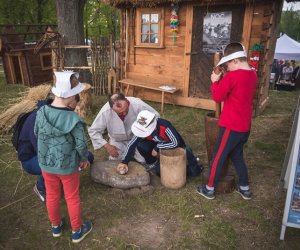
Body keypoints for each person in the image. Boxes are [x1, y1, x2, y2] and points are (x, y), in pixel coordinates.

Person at [34, 71, 93, 243]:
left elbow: (36, 132)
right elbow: (81, 145)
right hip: (67, 166)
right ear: (69, 98)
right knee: (72, 197)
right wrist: (84, 159)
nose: (78, 102)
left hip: (46, 164)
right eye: (77, 98)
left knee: (52, 195)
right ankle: (77, 231)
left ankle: (56, 226)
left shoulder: (41, 111)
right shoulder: (73, 119)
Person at [197, 42, 257, 200]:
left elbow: (218, 96)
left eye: (228, 64)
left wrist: (215, 81)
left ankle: (208, 189)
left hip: (231, 125)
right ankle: (244, 187)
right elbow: (238, 90)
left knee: (219, 156)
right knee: (237, 155)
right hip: (245, 127)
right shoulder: (252, 74)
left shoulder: (232, 76)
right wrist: (224, 77)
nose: (227, 67)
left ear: (236, 60)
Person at [18, 97, 94, 203]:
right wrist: (67, 157)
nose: (75, 107)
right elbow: (42, 150)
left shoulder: (56, 113)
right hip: (33, 158)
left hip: (54, 153)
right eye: (75, 104)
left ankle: (59, 178)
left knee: (88, 156)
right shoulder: (38, 117)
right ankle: (41, 187)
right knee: (65, 165)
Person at [116, 110, 203, 177]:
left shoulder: (165, 125)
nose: (143, 134)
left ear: (152, 127)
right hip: (159, 146)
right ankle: (153, 163)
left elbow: (176, 142)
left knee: (193, 172)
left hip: (175, 148)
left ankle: (189, 168)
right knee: (141, 146)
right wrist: (124, 162)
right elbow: (131, 144)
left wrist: (157, 148)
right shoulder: (143, 126)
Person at [88, 93, 160, 164]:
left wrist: (141, 125)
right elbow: (93, 131)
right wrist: (107, 146)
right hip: (117, 140)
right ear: (111, 108)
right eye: (120, 113)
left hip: (135, 138)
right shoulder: (105, 111)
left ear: (126, 100)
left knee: (143, 160)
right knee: (115, 161)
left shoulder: (137, 104)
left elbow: (155, 115)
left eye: (126, 110)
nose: (124, 114)